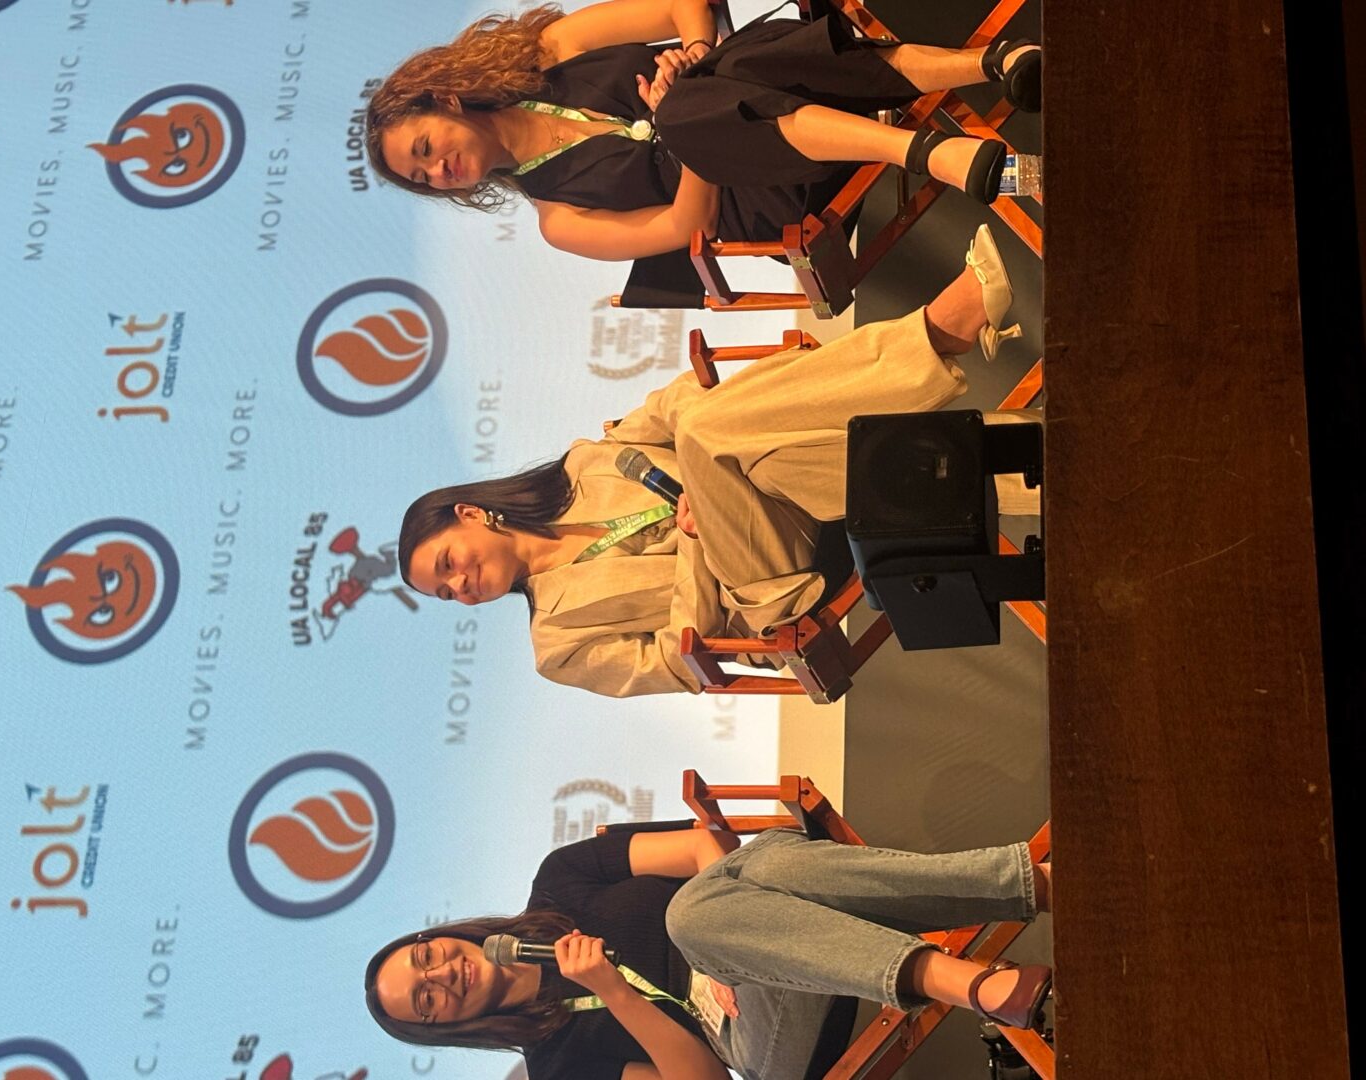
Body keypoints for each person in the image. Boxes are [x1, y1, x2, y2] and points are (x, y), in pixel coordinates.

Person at [396, 225, 1039, 697]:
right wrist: (696, 536)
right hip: (764, 593)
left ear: (471, 513)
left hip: (778, 486)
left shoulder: (583, 467)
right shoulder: (556, 646)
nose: (460, 587)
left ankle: (1028, 465)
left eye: (447, 563)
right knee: (718, 435)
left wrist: (711, 459)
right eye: (446, 594)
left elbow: (673, 403)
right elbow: (678, 662)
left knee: (746, 447)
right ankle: (938, 331)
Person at [364, 0, 1041, 264]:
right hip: (763, 193)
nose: (439, 171)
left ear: (447, 100)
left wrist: (690, 56)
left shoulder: (552, 51)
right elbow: (685, 224)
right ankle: (962, 98)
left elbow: (680, 6)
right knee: (694, 115)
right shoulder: (558, 220)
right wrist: (676, 121)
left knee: (736, 68)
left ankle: (984, 76)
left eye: (424, 149)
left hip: (763, 79)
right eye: (423, 179)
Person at [364, 825, 1052, 1080]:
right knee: (704, 910)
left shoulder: (559, 879)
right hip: (763, 1034)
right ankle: (1026, 885)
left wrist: (726, 945)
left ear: (437, 938)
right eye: (426, 1002)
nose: (442, 976)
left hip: (785, 917)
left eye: (425, 960)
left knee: (743, 882)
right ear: (444, 1028)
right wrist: (614, 992)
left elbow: (701, 847)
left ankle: (980, 981)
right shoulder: (556, 1068)